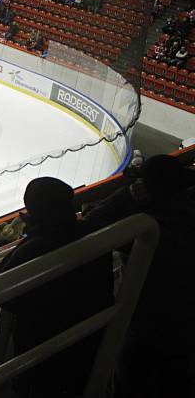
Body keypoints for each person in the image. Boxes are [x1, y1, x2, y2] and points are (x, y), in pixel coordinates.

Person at [83, 155, 195, 397]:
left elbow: (92, 223)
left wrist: (128, 195)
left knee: (134, 375)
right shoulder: (185, 208)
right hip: (185, 318)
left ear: (146, 189)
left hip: (150, 318)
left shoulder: (148, 229)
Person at [0, 177, 114, 398]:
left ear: (32, 214)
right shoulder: (95, 230)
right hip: (92, 340)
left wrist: (31, 235)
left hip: (42, 353)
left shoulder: (32, 249)